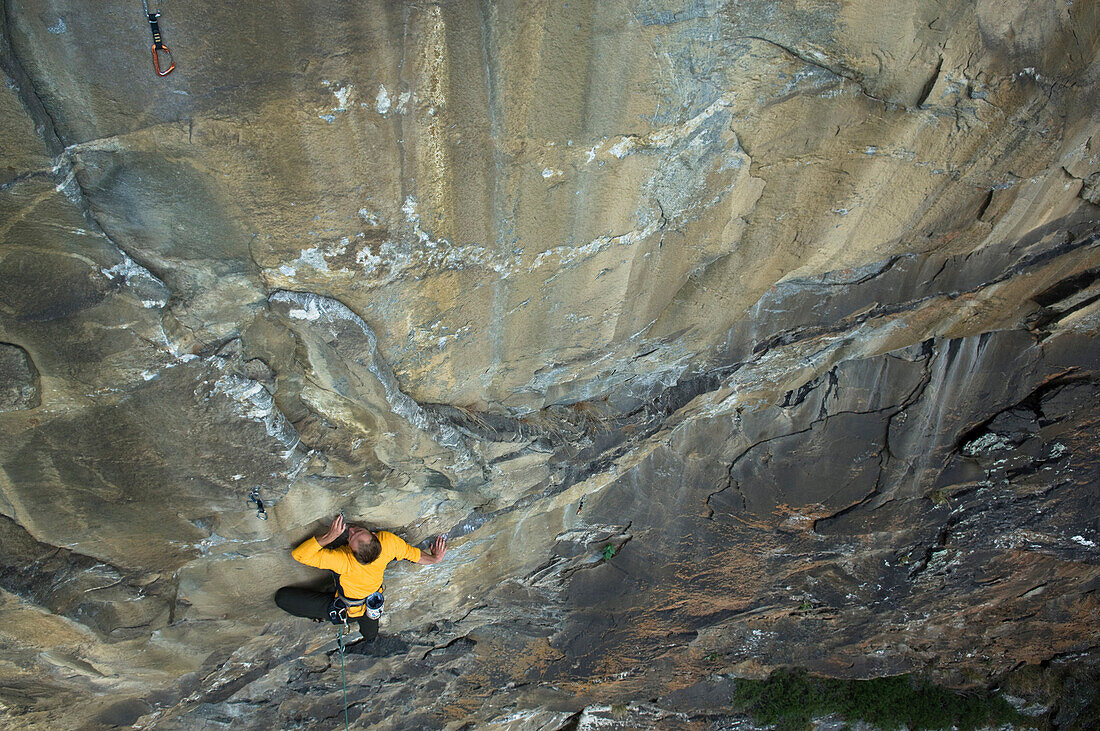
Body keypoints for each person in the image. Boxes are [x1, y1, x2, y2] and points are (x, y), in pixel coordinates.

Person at [275, 514, 446, 644]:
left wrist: (329, 537)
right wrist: (435, 559)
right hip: (372, 603)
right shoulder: (389, 543)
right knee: (371, 634)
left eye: (352, 536)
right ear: (374, 535)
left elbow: (299, 555)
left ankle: (322, 616)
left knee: (282, 598)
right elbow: (413, 555)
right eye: (355, 533)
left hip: (345, 608)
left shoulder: (343, 560)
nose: (351, 530)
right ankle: (369, 639)